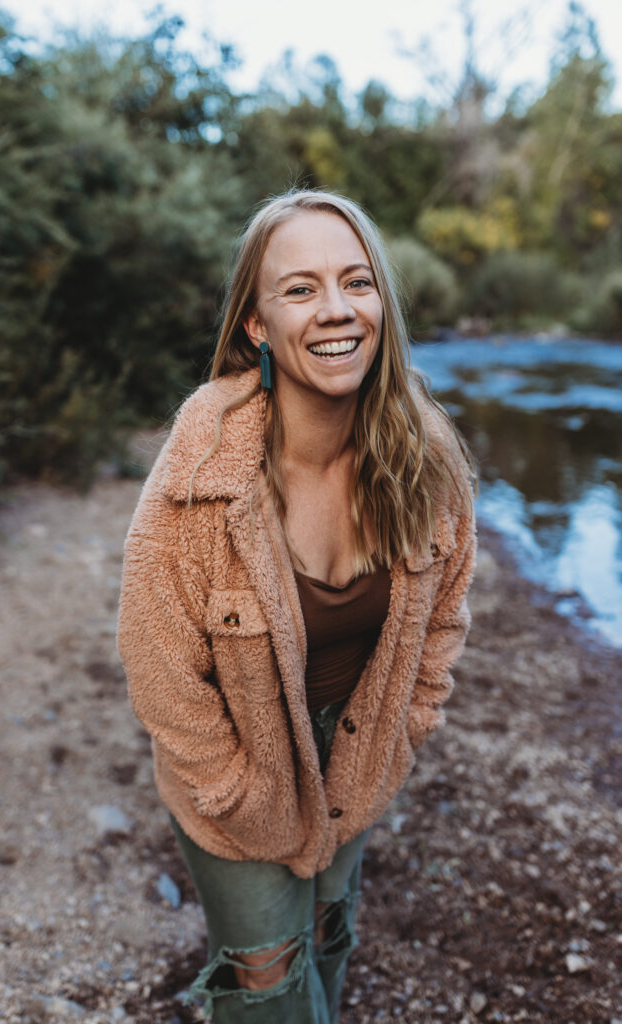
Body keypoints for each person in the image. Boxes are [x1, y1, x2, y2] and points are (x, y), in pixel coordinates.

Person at [117, 188, 477, 1024]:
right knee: (266, 973)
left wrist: (403, 730)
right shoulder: (202, 469)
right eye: (300, 288)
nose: (336, 309)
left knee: (324, 931)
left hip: (356, 752)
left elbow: (445, 618)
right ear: (255, 323)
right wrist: (239, 792)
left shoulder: (424, 455)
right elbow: (158, 663)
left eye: (356, 282)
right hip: (232, 766)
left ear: (381, 300)